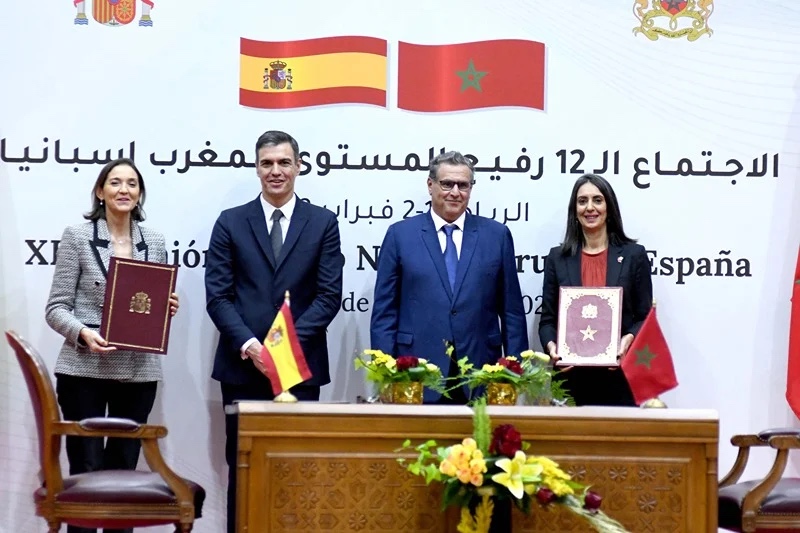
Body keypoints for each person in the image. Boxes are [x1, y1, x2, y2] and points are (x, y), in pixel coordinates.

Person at [205, 130, 344, 533]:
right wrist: (252, 346)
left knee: (297, 470)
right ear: (256, 168)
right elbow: (218, 296)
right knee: (243, 468)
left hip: (299, 369)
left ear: (299, 166)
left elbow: (328, 296)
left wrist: (281, 349)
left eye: (284, 162)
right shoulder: (230, 222)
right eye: (267, 163)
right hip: (242, 369)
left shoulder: (323, 223)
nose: (276, 171)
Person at [45, 158, 179, 533]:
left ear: (140, 194)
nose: (124, 190)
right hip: (83, 369)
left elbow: (148, 303)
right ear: (100, 191)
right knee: (86, 471)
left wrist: (166, 306)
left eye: (132, 183)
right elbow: (56, 309)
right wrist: (82, 333)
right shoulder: (77, 236)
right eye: (115, 182)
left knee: (124, 474)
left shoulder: (154, 241)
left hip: (138, 372)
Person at [370, 151, 528, 404]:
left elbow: (512, 312)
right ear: (430, 185)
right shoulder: (400, 235)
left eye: (463, 185)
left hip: (480, 372)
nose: (455, 192)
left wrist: (514, 372)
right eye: (447, 184)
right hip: (415, 374)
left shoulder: (496, 235)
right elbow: (385, 312)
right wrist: (384, 373)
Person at [538, 173, 653, 406]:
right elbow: (547, 320)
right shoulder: (557, 258)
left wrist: (627, 341)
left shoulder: (634, 255)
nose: (590, 208)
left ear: (609, 207)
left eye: (597, 200)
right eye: (582, 201)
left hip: (619, 378)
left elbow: (644, 317)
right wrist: (552, 348)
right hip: (570, 379)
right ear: (575, 210)